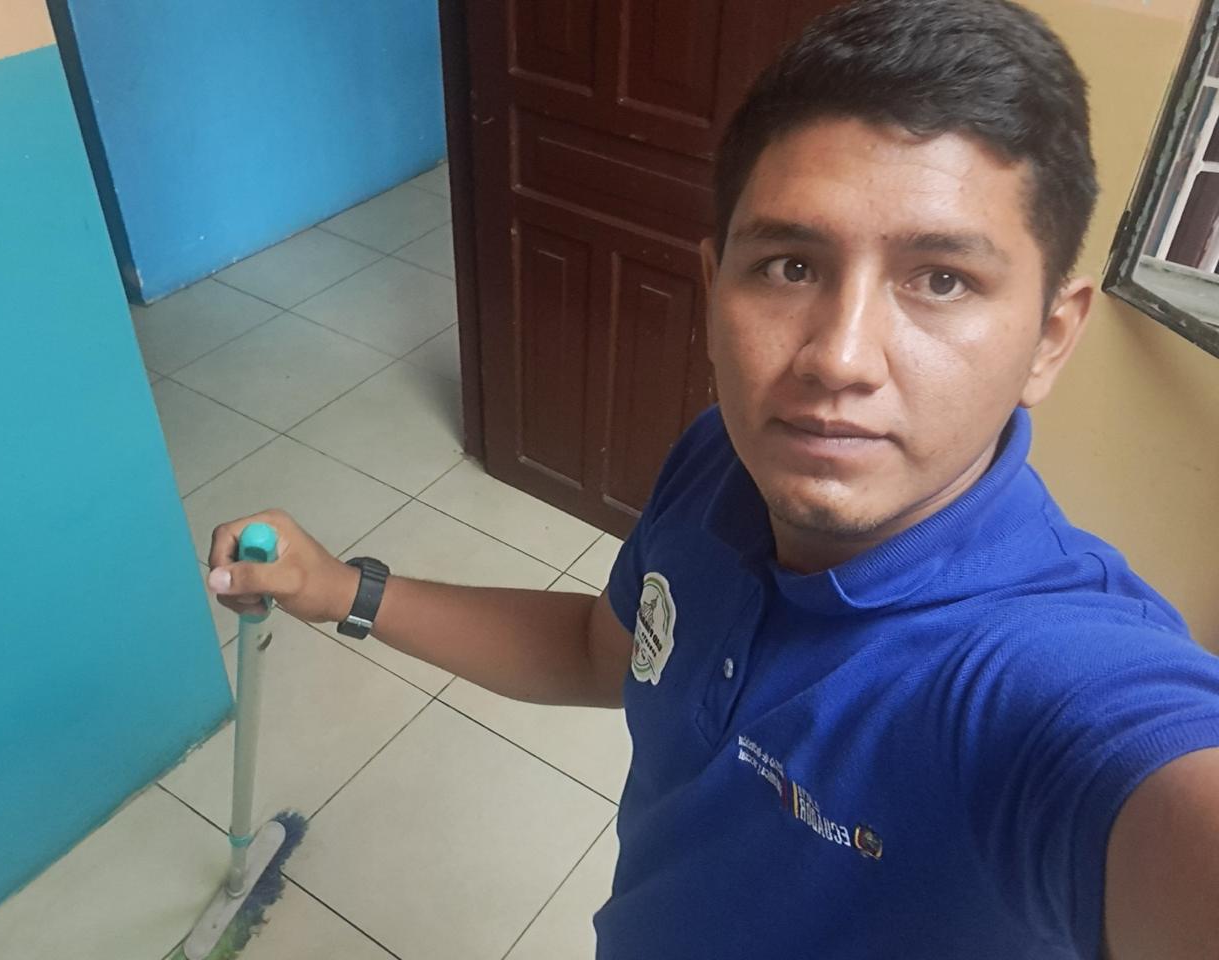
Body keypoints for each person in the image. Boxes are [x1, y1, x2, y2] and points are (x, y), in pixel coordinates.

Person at [206, 0, 1219, 956]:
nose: (838, 357)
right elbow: (598, 653)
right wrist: (339, 590)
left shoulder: (1046, 673)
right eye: (789, 266)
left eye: (941, 280)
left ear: (1049, 338)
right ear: (711, 286)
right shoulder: (720, 462)